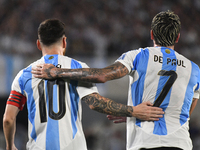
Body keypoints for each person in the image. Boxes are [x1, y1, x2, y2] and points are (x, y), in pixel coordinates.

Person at [32, 11, 200, 150]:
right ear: (178, 37)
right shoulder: (194, 69)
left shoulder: (139, 56)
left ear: (151, 34)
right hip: (181, 144)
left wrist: (58, 71)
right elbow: (184, 112)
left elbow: (102, 76)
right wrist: (135, 115)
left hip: (145, 143)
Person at [3, 19, 164, 150]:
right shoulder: (77, 68)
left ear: (38, 44)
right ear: (64, 42)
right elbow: (95, 103)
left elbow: (8, 119)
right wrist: (134, 110)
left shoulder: (24, 75)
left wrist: (10, 146)